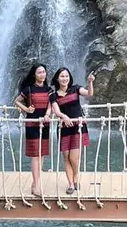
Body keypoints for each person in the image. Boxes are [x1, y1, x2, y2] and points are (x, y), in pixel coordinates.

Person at [50, 67, 94, 194]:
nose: (65, 78)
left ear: (69, 78)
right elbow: (56, 111)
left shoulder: (75, 88)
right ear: (57, 78)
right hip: (63, 127)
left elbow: (89, 93)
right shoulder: (53, 95)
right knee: (66, 156)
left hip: (77, 126)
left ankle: (75, 178)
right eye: (62, 76)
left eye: (66, 76)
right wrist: (64, 117)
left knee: (74, 158)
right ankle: (70, 184)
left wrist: (90, 82)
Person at [15, 64, 52, 197]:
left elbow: (50, 105)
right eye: (39, 72)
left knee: (42, 155)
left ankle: (35, 182)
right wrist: (26, 109)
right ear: (34, 75)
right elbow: (17, 101)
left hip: (45, 124)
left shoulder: (49, 90)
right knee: (35, 155)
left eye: (43, 72)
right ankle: (36, 185)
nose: (42, 74)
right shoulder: (28, 89)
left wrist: (48, 114)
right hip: (32, 124)